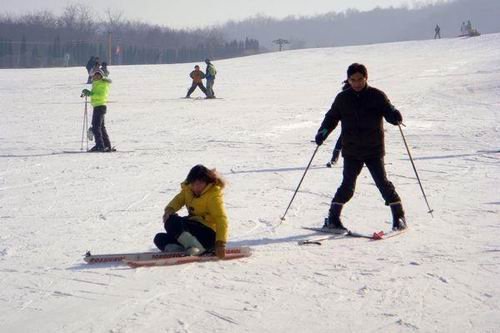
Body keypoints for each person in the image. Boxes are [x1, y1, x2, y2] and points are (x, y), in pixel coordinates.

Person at [315, 63, 407, 231]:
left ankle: (399, 217)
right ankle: (333, 218)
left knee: (382, 183)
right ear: (348, 80)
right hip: (351, 150)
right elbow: (331, 118)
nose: (357, 83)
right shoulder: (342, 98)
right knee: (347, 186)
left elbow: (389, 111)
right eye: (353, 80)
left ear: (366, 78)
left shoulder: (377, 96)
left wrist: (395, 116)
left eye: (360, 79)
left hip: (373, 149)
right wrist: (323, 132)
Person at [153, 165, 228, 258]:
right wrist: (169, 210)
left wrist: (220, 243)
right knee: (159, 238)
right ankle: (180, 250)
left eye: (200, 183)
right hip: (194, 231)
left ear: (207, 182)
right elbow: (178, 200)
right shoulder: (188, 190)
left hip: (208, 236)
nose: (196, 187)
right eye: (194, 184)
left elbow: (221, 219)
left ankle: (196, 248)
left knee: (173, 222)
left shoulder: (213, 195)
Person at [81, 69, 114, 152]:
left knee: (96, 127)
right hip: (97, 106)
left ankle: (100, 146)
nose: (96, 76)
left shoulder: (103, 84)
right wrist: (88, 93)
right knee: (101, 127)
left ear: (101, 76)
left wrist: (91, 94)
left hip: (100, 106)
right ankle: (106, 145)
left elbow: (100, 96)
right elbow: (95, 95)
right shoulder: (96, 83)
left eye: (98, 75)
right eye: (95, 75)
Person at [326, 80, 351, 167]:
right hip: (349, 125)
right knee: (342, 140)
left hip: (362, 125)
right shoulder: (343, 96)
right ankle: (334, 159)